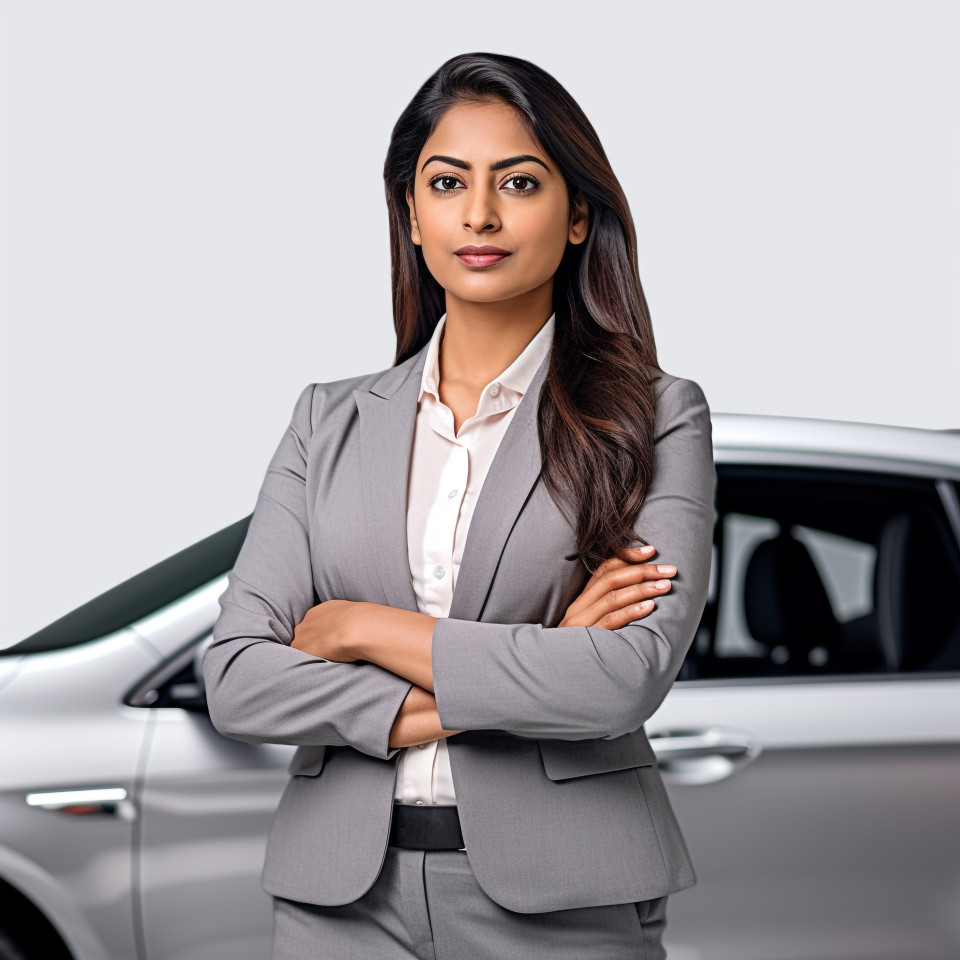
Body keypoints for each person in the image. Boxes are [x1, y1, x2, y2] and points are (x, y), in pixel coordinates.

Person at [202, 51, 717, 960]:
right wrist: (541, 666)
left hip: (564, 896)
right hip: (336, 902)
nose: (479, 215)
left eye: (519, 182)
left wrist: (357, 627)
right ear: (411, 214)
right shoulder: (327, 421)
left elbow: (624, 676)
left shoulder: (655, 416)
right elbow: (238, 680)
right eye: (447, 184)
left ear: (577, 215)